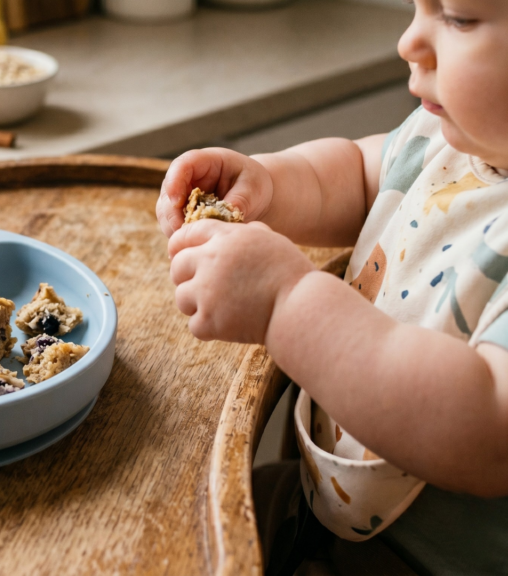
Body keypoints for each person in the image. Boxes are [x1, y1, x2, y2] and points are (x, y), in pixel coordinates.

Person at [156, 0, 508, 573]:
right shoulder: (454, 140)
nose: (408, 42)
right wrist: (266, 182)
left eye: (458, 18)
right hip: (318, 507)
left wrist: (286, 302)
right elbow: (361, 175)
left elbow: (486, 426)